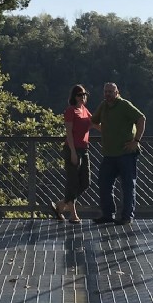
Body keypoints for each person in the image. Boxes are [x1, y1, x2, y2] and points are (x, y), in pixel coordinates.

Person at [90, 81, 146, 225]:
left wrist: (136, 141)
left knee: (128, 186)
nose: (108, 94)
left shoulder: (124, 105)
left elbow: (141, 119)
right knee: (104, 183)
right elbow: (93, 121)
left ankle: (127, 216)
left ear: (117, 92)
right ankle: (108, 214)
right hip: (109, 154)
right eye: (106, 91)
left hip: (126, 153)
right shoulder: (103, 106)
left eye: (111, 91)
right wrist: (105, 130)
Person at [58, 84, 95, 223]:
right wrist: (73, 152)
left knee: (86, 182)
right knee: (72, 181)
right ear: (74, 96)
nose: (83, 97)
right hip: (72, 149)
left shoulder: (84, 110)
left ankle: (61, 205)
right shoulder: (70, 111)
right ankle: (73, 215)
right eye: (80, 94)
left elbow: (94, 124)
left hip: (84, 150)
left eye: (84, 94)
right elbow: (69, 133)